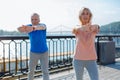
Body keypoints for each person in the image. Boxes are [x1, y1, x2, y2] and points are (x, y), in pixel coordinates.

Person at [17, 13, 49, 80]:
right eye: (32, 19)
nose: (34, 21)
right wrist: (24, 28)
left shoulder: (42, 25)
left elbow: (42, 27)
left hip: (44, 52)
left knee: (45, 71)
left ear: (39, 20)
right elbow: (19, 29)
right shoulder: (29, 26)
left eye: (36, 19)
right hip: (33, 53)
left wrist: (33, 28)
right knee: (31, 71)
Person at [72, 7, 100, 80]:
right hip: (78, 59)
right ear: (80, 16)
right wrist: (83, 28)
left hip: (91, 59)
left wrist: (94, 27)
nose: (85, 15)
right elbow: (74, 29)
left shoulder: (93, 28)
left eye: (87, 14)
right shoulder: (77, 28)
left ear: (89, 16)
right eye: (83, 13)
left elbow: (97, 27)